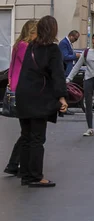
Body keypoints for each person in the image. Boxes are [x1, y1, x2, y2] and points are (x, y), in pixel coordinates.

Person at [15, 16, 68, 187]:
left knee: (26, 137)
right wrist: (61, 97)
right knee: (37, 138)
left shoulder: (31, 46)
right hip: (39, 97)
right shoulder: (52, 49)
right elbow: (58, 75)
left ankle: (25, 175)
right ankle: (36, 176)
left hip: (24, 96)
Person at [4, 20, 38, 177]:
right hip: (24, 90)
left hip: (16, 88)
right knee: (28, 132)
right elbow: (30, 65)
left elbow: (12, 67)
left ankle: (14, 164)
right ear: (32, 32)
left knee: (26, 131)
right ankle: (17, 164)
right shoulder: (25, 46)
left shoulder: (17, 45)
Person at [66, 30, 94, 136]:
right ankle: (90, 128)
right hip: (88, 79)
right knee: (88, 103)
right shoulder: (86, 52)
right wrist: (69, 78)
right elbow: (77, 65)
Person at [58, 30, 80, 115]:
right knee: (64, 90)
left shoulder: (68, 43)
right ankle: (63, 108)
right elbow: (65, 56)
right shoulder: (64, 43)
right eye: (75, 38)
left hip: (68, 70)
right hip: (65, 70)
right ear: (71, 36)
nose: (75, 40)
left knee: (66, 90)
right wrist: (75, 56)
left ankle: (64, 108)